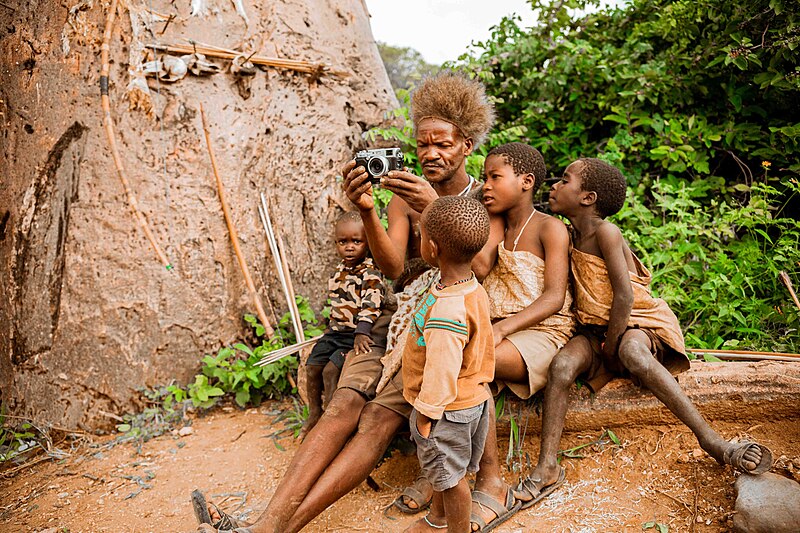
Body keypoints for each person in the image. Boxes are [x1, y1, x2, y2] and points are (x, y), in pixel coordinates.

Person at [192, 71, 495, 533]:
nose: (430, 153)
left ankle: (271, 530)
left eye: (443, 144)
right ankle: (267, 525)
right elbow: (394, 268)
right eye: (422, 144)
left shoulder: (483, 197)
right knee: (343, 406)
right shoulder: (403, 194)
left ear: (466, 146)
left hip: (444, 329)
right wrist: (370, 208)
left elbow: (484, 270)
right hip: (397, 321)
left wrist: (434, 207)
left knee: (374, 420)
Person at [513, 158, 774, 511]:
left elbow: (625, 296)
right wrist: (600, 343)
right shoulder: (565, 232)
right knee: (561, 367)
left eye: (564, 181)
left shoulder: (607, 233)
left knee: (633, 354)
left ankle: (714, 442)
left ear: (588, 197)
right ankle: (546, 468)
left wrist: (611, 348)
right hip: (593, 330)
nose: (555, 187)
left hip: (635, 322)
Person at [402, 196, 494, 532]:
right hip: (471, 399)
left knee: (452, 479)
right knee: (446, 472)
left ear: (433, 247)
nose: (419, 239)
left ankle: (455, 528)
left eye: (421, 235)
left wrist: (426, 413)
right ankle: (438, 520)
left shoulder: (447, 311)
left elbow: (442, 368)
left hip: (446, 409)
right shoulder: (469, 288)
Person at [302, 211, 386, 437]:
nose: (349, 247)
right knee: (312, 367)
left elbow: (372, 303)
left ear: (368, 242)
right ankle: (314, 414)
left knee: (331, 372)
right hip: (335, 333)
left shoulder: (370, 273)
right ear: (336, 243)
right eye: (343, 242)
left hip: (354, 336)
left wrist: (362, 332)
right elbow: (337, 306)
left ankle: (330, 425)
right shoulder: (338, 272)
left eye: (356, 241)